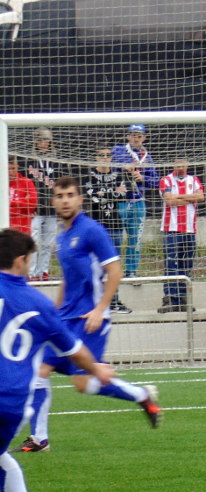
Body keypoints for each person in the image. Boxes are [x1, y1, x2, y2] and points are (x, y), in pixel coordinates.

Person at [16, 177, 162, 454]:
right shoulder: (62, 236)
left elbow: (115, 271)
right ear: (53, 201)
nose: (65, 200)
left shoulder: (92, 230)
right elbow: (68, 279)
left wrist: (100, 309)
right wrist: (55, 312)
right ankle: (39, 439)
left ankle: (140, 394)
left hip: (90, 319)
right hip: (66, 319)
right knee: (39, 370)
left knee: (83, 383)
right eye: (60, 196)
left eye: (70, 195)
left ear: (80, 199)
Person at [0, 228, 116, 492]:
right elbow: (73, 349)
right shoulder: (38, 302)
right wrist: (97, 368)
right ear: (21, 261)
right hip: (14, 403)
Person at [83, 145, 131, 314]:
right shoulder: (89, 175)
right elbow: (92, 197)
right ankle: (96, 301)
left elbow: (124, 195)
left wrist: (103, 194)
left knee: (114, 266)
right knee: (95, 265)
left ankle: (114, 301)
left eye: (108, 155)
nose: (105, 158)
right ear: (96, 157)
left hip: (115, 226)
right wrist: (111, 193)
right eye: (101, 155)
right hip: (96, 227)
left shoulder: (118, 175)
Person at [111, 124, 159, 280]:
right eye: (133, 135)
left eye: (139, 136)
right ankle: (114, 271)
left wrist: (143, 178)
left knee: (135, 239)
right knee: (115, 238)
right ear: (128, 136)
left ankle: (131, 271)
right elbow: (108, 166)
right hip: (120, 201)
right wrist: (122, 167)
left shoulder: (147, 157)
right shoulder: (118, 150)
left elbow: (156, 181)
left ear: (144, 138)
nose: (136, 139)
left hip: (138, 201)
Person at [158, 159, 205, 314]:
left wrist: (179, 196)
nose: (180, 166)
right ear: (173, 165)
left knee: (187, 263)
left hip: (189, 229)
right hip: (171, 228)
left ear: (187, 164)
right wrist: (190, 197)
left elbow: (200, 197)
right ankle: (170, 298)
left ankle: (183, 298)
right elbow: (170, 201)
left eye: (182, 163)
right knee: (171, 263)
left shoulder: (194, 180)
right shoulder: (166, 180)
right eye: (177, 163)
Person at [25, 127, 60, 280]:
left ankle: (43, 271)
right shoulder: (29, 160)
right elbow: (25, 184)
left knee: (48, 243)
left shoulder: (56, 161)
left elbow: (59, 184)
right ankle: (32, 272)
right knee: (34, 241)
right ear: (35, 141)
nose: (43, 143)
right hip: (35, 209)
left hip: (51, 209)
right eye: (40, 140)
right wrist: (30, 205)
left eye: (46, 140)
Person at [7, 158, 37, 237]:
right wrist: (22, 202)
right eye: (8, 169)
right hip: (5, 231)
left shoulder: (27, 182)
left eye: (13, 168)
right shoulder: (2, 184)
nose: (10, 172)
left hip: (23, 232)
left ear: (17, 167)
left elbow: (32, 205)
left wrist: (10, 203)